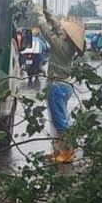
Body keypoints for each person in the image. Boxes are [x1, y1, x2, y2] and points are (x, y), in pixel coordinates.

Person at [37, 11, 84, 163]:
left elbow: (48, 34)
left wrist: (41, 18)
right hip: (63, 85)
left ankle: (68, 151)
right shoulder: (68, 46)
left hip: (57, 86)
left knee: (60, 122)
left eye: (64, 32)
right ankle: (58, 151)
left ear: (68, 36)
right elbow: (58, 30)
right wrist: (51, 17)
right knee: (56, 120)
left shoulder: (62, 46)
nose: (62, 31)